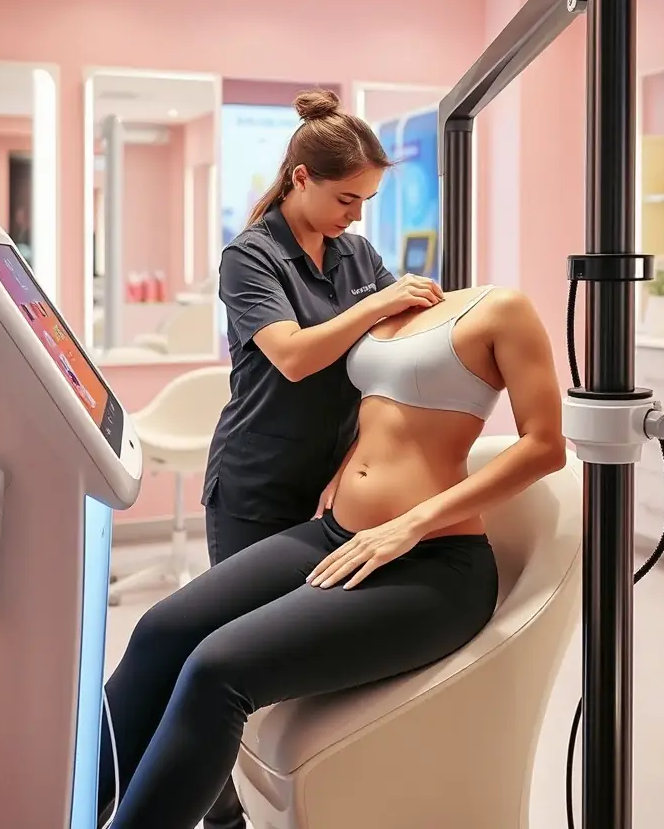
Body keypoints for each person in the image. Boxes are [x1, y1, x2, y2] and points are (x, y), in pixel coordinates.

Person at [97, 280, 567, 829]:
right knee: (161, 631)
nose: (353, 225)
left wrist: (410, 523)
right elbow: (380, 410)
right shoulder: (394, 302)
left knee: (216, 670)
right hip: (337, 535)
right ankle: (71, 808)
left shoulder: (503, 308)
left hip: (432, 562)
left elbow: (545, 447)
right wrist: (350, 468)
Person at [198, 89, 445, 829]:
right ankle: (222, 816)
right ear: (300, 177)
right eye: (346, 199)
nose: (357, 217)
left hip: (333, 494)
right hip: (256, 485)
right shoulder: (250, 256)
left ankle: (302, 804)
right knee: (226, 664)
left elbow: (386, 358)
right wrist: (376, 304)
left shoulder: (355, 254)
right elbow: (296, 357)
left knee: (299, 665)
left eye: (366, 201)